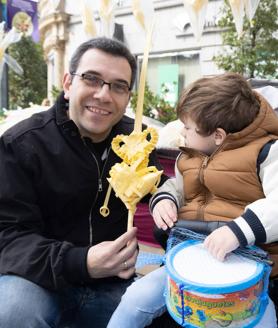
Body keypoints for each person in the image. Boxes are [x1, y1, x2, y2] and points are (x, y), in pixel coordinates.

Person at [0, 37, 167, 328]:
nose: (104, 95)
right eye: (92, 79)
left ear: (129, 97)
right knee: (14, 313)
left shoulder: (136, 142)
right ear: (68, 84)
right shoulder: (23, 144)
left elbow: (157, 187)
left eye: (118, 86)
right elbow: (8, 237)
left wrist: (167, 199)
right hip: (38, 279)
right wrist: (81, 262)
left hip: (113, 283)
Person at [107, 73, 278, 328]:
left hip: (247, 266)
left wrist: (239, 231)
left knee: (262, 321)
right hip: (190, 255)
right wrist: (165, 199)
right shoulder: (188, 157)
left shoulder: (266, 153)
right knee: (135, 298)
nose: (182, 133)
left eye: (187, 127)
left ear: (217, 135)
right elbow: (178, 186)